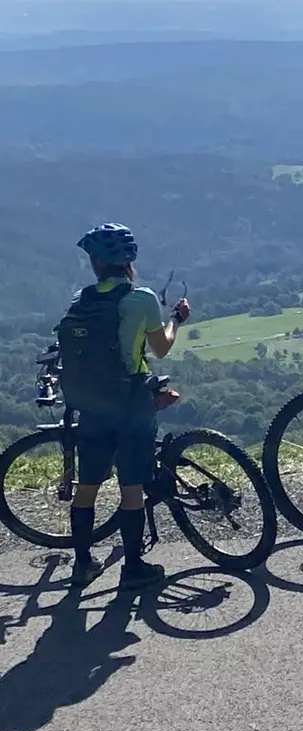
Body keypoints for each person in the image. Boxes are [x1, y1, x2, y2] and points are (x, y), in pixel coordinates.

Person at [63, 224, 190, 591]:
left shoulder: (81, 300)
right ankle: (133, 568)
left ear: (96, 262)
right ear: (128, 262)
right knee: (131, 488)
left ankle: (84, 564)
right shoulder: (141, 299)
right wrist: (177, 320)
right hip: (131, 401)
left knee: (88, 487)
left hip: (91, 404)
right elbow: (161, 347)